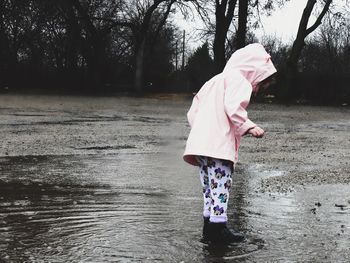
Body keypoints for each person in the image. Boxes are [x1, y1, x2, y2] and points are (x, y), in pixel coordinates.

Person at [183, 43, 277, 243]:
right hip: (219, 145)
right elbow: (233, 107)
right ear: (254, 72)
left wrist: (202, 131)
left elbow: (192, 113)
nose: (257, 90)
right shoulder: (239, 81)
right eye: (259, 84)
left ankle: (208, 228)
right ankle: (219, 229)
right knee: (221, 185)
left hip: (202, 145)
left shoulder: (213, 81)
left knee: (208, 186)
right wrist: (248, 126)